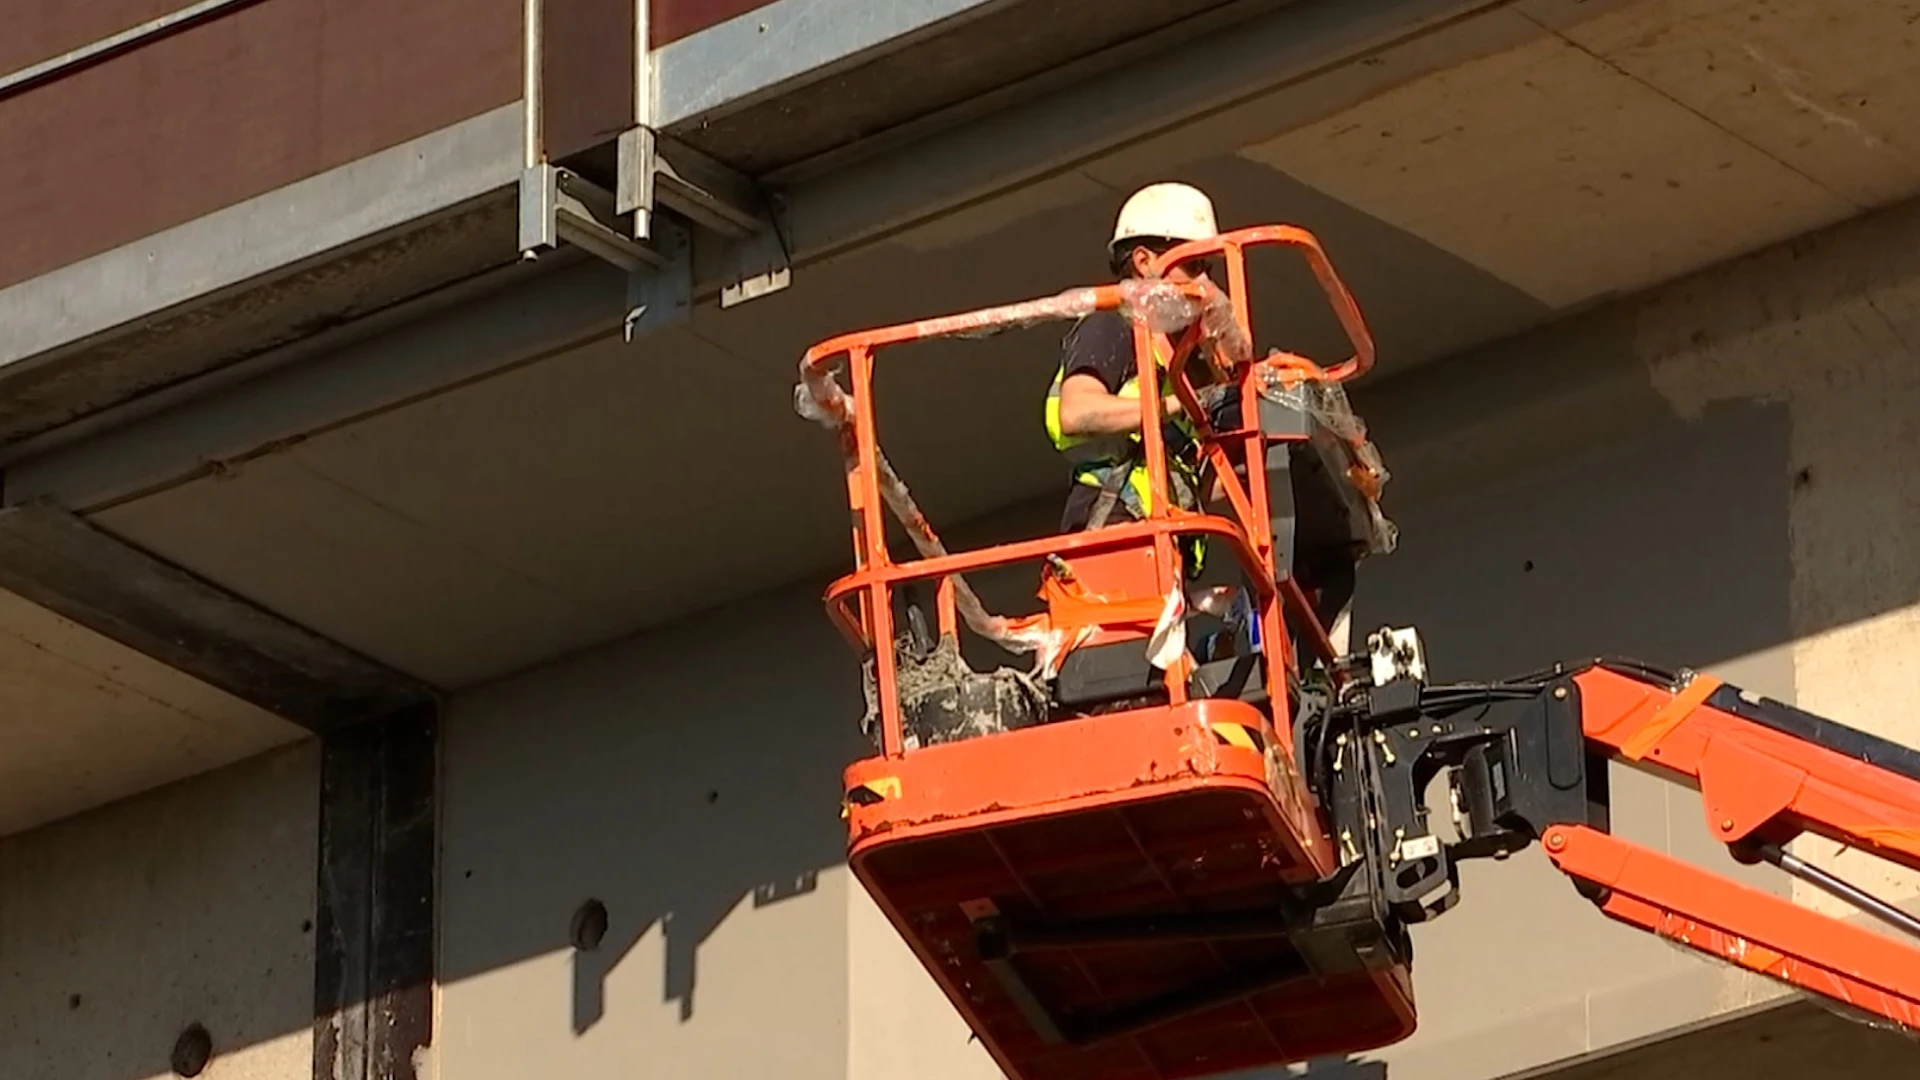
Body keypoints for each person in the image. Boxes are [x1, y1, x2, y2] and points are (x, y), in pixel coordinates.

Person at [1042, 182, 1239, 543]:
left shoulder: (1171, 354)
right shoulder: (1115, 323)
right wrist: (1184, 404)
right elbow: (1077, 411)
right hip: (1113, 531)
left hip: (1157, 542)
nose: (1205, 282)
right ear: (1145, 261)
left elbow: (1192, 478)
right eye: (1194, 266)